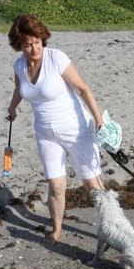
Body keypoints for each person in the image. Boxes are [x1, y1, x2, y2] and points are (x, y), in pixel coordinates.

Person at [7, 14, 104, 244]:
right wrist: (12, 108)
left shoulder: (56, 58)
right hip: (45, 133)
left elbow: (83, 89)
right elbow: (20, 90)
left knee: (92, 183)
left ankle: (109, 227)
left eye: (37, 41)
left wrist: (99, 120)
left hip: (77, 129)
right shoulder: (19, 65)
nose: (34, 48)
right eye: (28, 44)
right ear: (19, 45)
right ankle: (57, 228)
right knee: (56, 185)